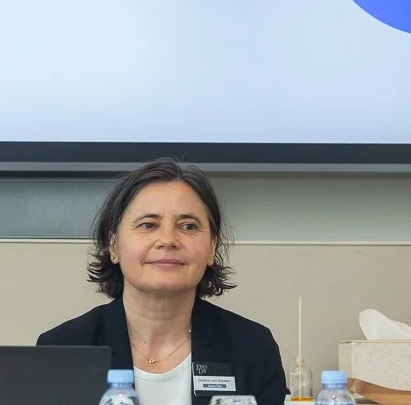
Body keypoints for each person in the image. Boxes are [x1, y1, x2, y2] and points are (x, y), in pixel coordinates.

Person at [37, 158, 287, 405]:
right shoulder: (65, 347)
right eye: (148, 225)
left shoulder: (252, 347)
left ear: (212, 247)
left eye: (188, 226)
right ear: (114, 245)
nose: (168, 239)